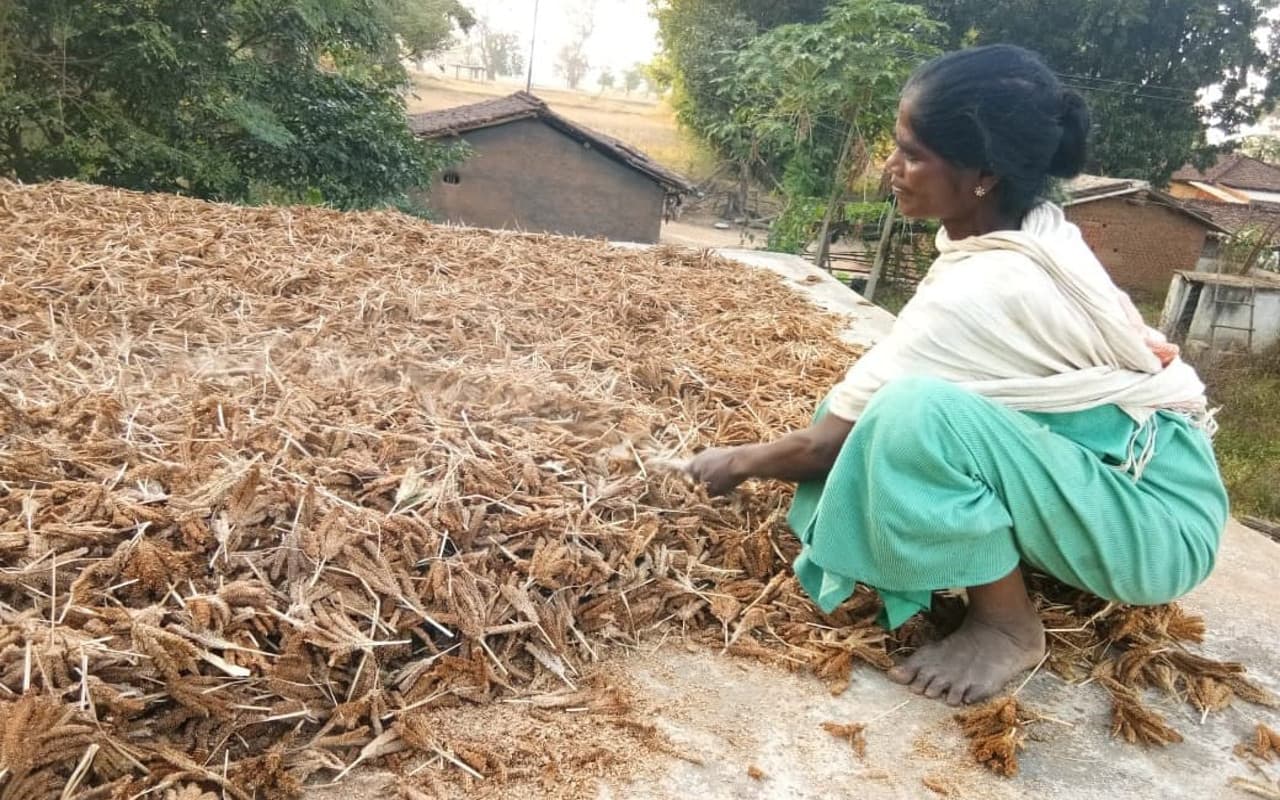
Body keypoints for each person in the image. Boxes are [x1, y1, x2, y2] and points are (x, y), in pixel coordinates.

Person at [686, 45, 1228, 707]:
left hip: (1156, 530)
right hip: (1145, 480)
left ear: (983, 175)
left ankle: (1004, 625)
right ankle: (997, 555)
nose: (892, 170)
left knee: (908, 415)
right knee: (867, 402)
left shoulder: (986, 287)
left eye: (912, 154)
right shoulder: (1033, 229)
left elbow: (827, 446)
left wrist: (733, 463)